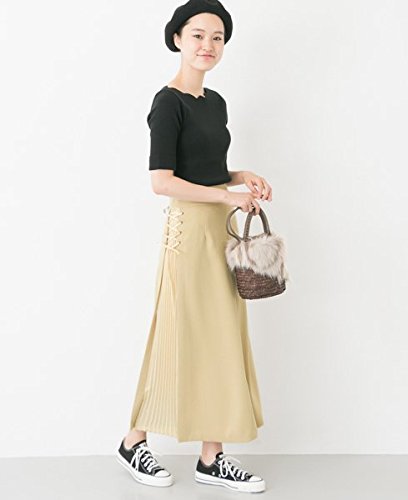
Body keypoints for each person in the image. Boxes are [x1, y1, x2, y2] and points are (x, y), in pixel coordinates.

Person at [116, 0, 272, 493]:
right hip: (188, 234)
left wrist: (240, 176)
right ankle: (133, 441)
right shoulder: (168, 103)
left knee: (221, 339)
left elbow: (205, 169)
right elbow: (162, 182)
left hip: (219, 231)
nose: (208, 45)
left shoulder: (215, 103)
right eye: (198, 35)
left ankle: (211, 457)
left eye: (217, 37)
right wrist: (227, 195)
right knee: (175, 335)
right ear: (177, 39)